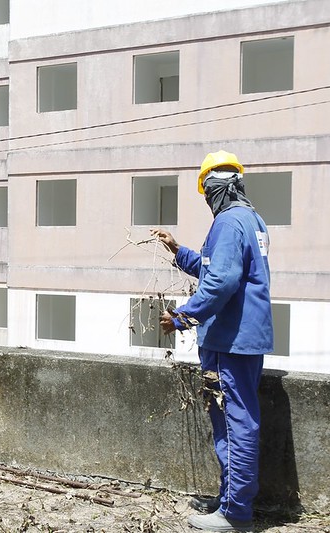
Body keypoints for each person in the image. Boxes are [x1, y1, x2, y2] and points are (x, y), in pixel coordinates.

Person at [152, 150, 272, 533]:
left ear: (213, 190)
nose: (207, 201)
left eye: (206, 193)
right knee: (238, 421)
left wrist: (184, 316)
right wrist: (177, 250)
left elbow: (220, 282)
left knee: (235, 425)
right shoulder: (250, 220)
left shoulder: (228, 223)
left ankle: (235, 513)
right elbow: (212, 266)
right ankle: (229, 499)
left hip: (229, 340)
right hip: (244, 337)